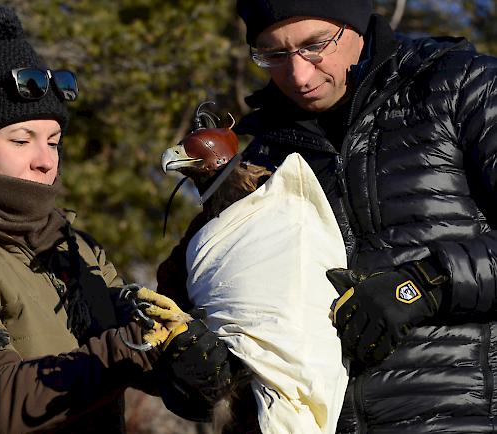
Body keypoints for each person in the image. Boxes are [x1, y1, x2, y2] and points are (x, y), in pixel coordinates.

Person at [0, 5, 233, 433]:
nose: (45, 161)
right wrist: (138, 346)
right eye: (22, 140)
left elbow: (149, 363)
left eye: (54, 141)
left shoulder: (75, 248)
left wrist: (190, 361)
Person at [159, 0, 497, 432]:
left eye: (315, 46)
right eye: (274, 55)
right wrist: (192, 374)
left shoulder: (461, 87)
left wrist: (426, 284)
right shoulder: (257, 157)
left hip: (457, 416)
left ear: (355, 24)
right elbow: (213, 336)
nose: (299, 75)